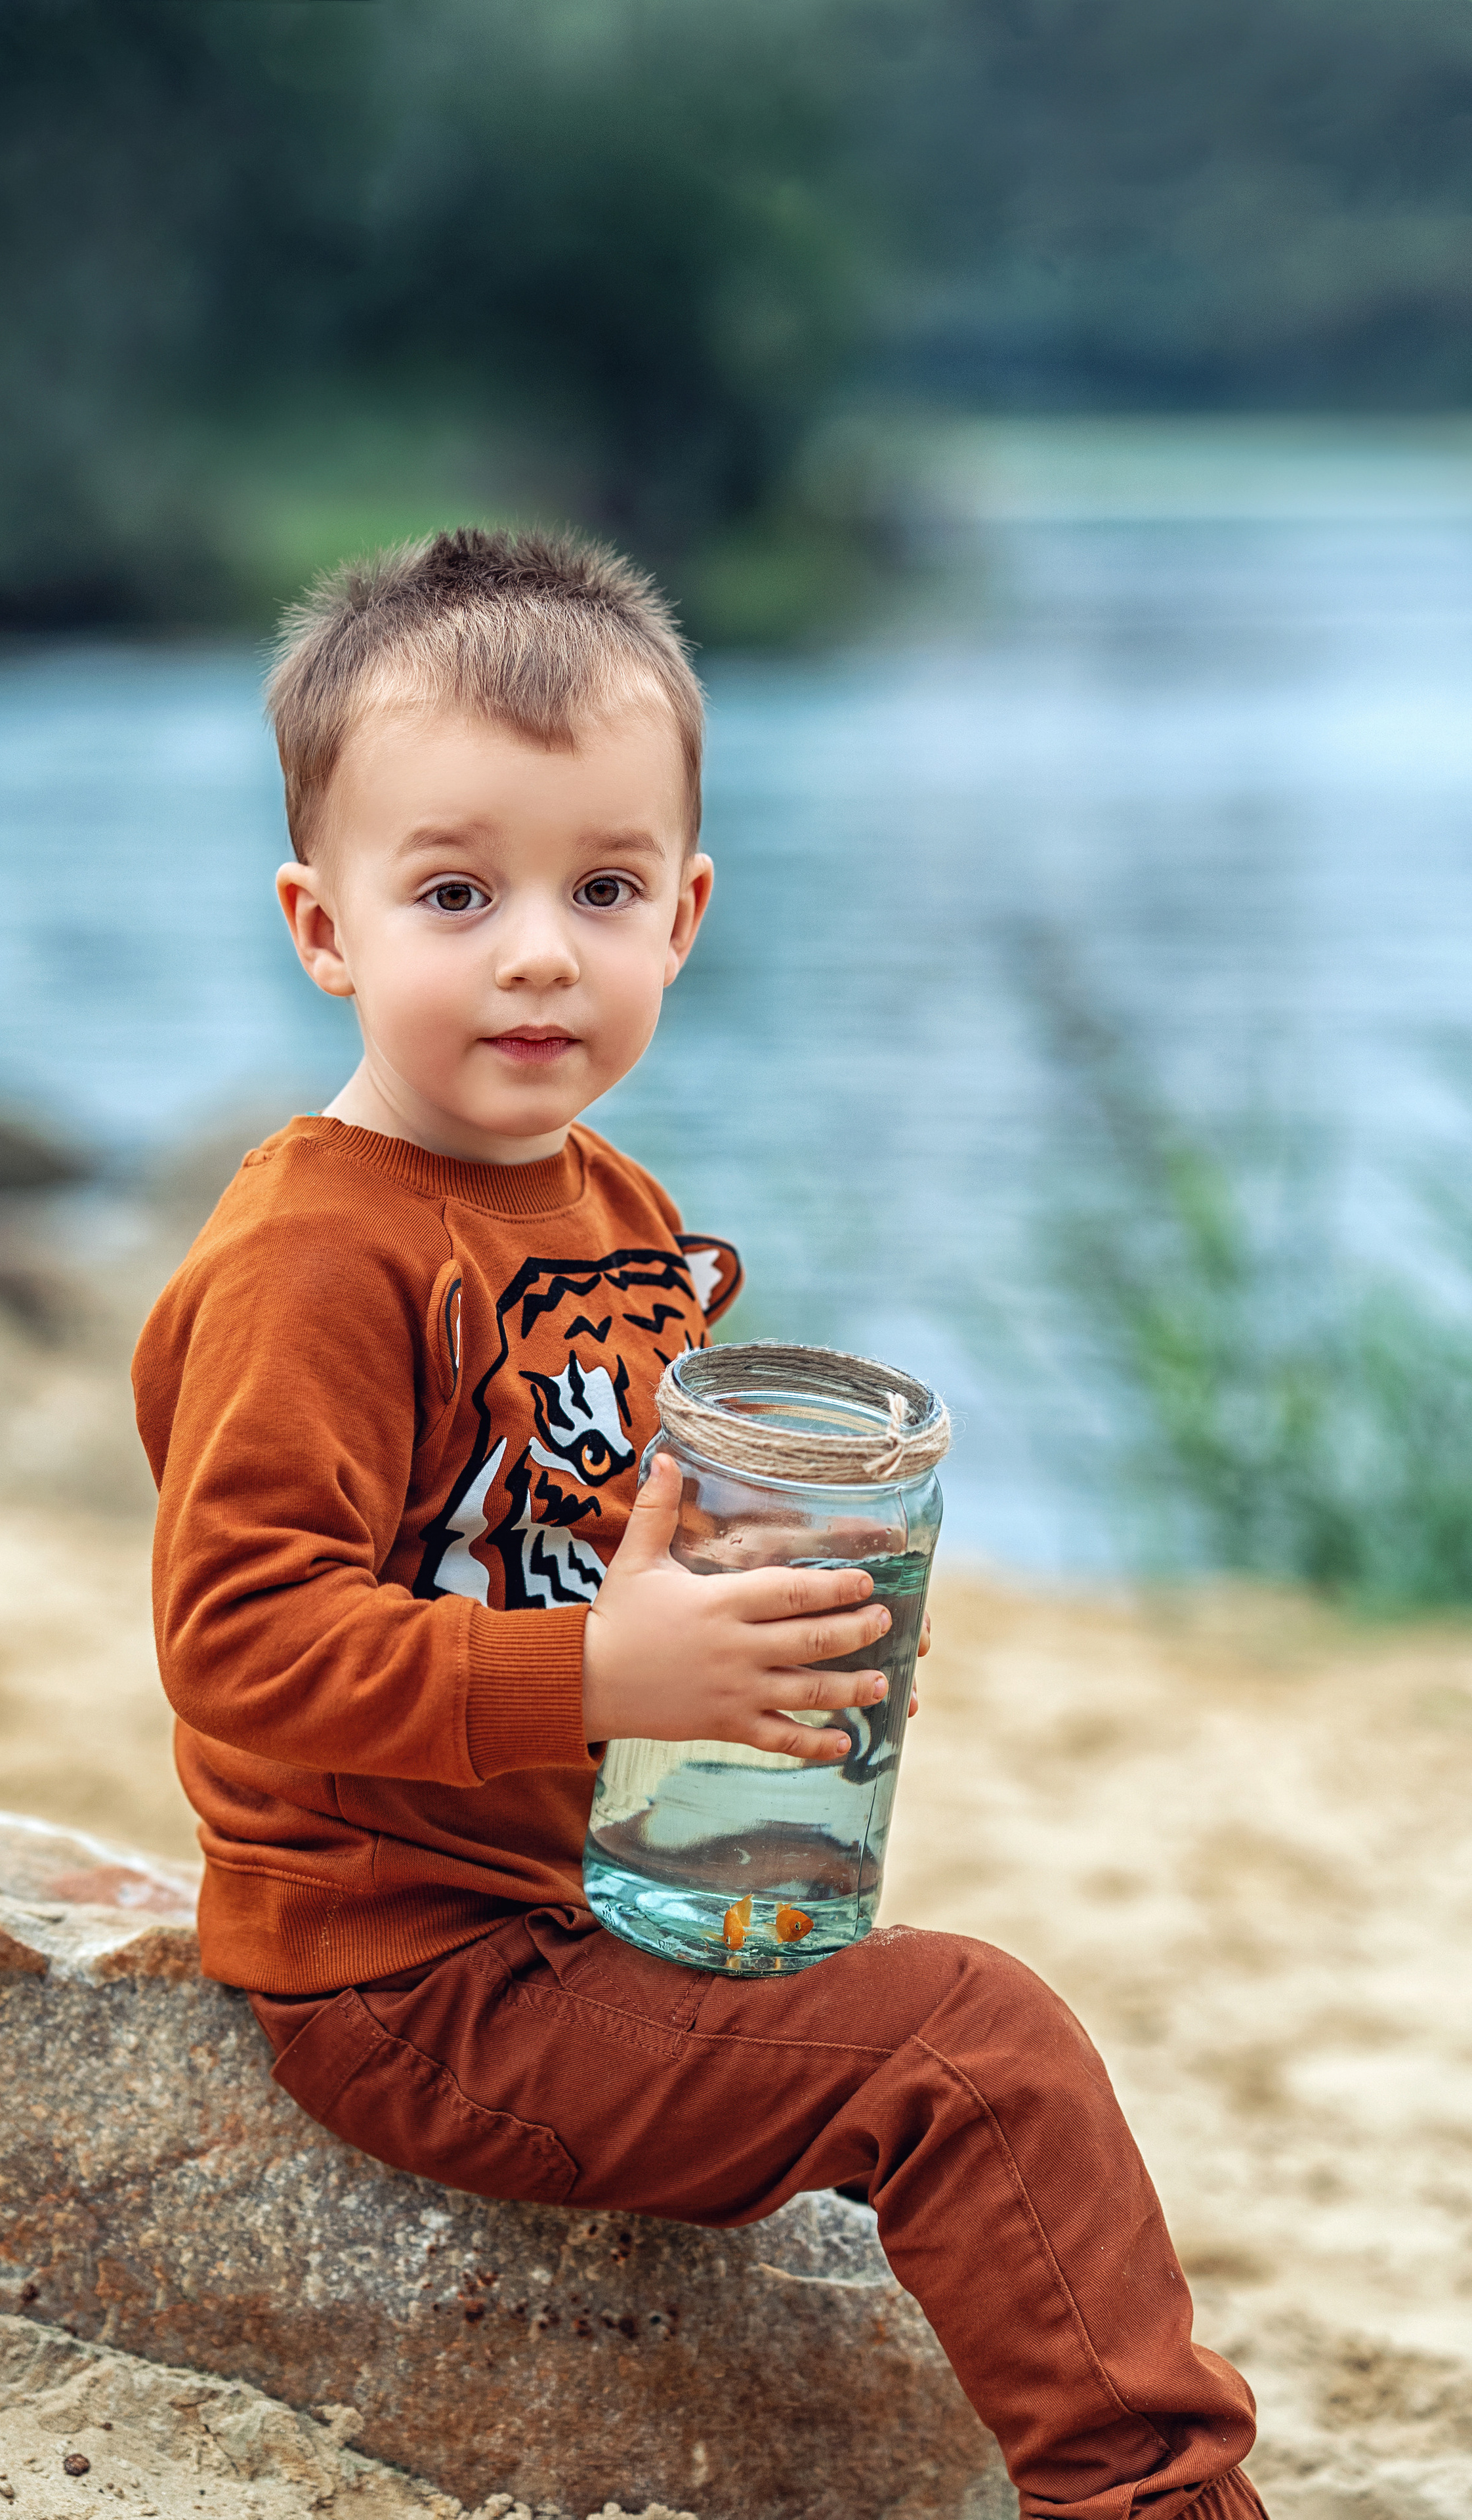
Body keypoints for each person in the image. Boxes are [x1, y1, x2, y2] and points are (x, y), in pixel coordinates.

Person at [133, 526, 1265, 2519]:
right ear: (326, 926)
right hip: (412, 1981)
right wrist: (599, 1668)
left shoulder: (620, 1209)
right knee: (974, 2048)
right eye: (456, 893)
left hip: (589, 1895)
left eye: (605, 887)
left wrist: (763, 1625)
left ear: (689, 912)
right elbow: (237, 1644)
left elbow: (597, 1524)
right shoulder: (318, 1253)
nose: (540, 951)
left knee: (926, 2001)